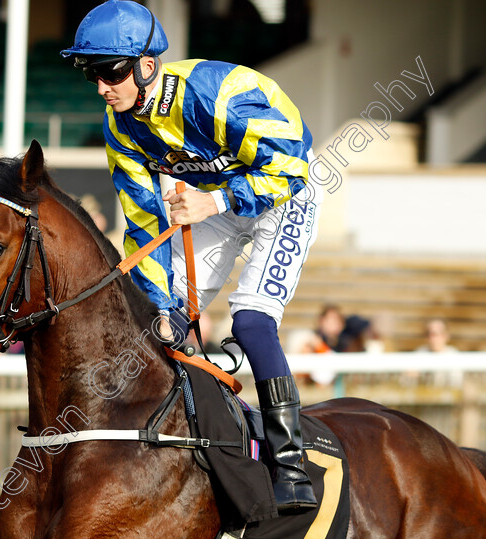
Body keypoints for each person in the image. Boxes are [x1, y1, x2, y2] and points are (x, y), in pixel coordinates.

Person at [62, 0, 322, 511]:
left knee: (250, 322)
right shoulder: (121, 126)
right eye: (91, 73)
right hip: (220, 199)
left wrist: (216, 200)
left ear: (147, 65)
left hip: (285, 191)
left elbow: (290, 168)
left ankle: (292, 467)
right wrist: (160, 305)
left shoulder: (216, 94)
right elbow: (142, 221)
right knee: (163, 318)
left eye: (110, 72)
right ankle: (193, 445)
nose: (101, 86)